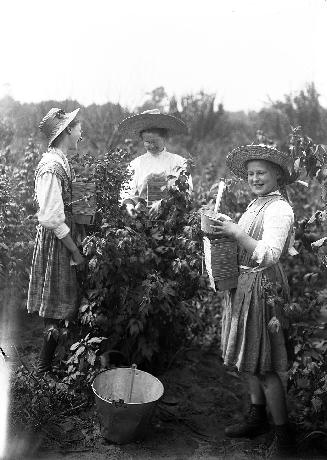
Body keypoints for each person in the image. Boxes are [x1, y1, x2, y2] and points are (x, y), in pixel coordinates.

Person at [211, 144, 296, 457]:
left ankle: (284, 436)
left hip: (263, 286)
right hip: (245, 283)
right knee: (249, 358)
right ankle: (257, 416)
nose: (255, 178)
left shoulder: (280, 209)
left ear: (276, 175)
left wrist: (235, 232)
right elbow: (245, 237)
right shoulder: (258, 203)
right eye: (250, 174)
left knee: (266, 365)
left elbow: (270, 254)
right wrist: (226, 225)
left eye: (261, 173)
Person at [27, 107, 85, 374]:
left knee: (61, 300)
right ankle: (42, 368)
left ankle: (51, 364)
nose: (81, 130)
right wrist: (74, 250)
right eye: (78, 126)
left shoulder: (60, 160)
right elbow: (50, 217)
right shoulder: (52, 167)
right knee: (56, 303)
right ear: (67, 131)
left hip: (61, 237)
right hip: (57, 240)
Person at [119, 109, 193, 217]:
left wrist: (163, 203)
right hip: (141, 219)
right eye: (147, 142)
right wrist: (131, 209)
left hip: (171, 219)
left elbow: (186, 191)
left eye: (155, 141)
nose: (152, 146)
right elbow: (126, 193)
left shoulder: (178, 162)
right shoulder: (136, 164)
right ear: (142, 140)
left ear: (164, 137)